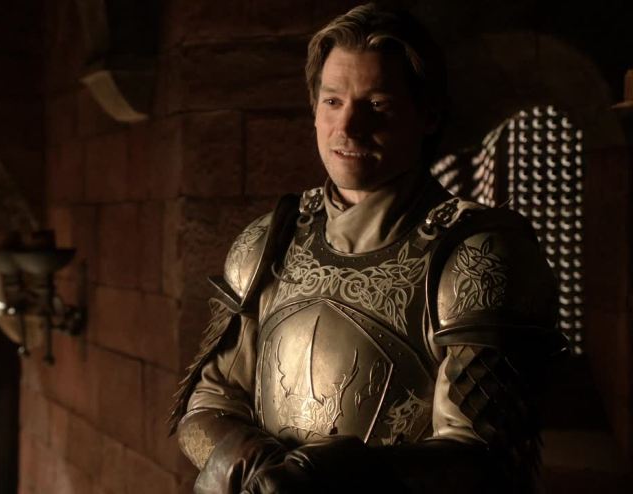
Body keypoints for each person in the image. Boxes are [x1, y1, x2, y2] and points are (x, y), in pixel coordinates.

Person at [169, 3, 566, 493]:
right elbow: (208, 404)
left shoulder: (477, 258)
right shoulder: (267, 242)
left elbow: (485, 460)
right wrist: (250, 462)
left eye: (376, 104)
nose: (348, 126)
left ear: (427, 115)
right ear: (314, 109)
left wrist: (332, 475)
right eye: (333, 101)